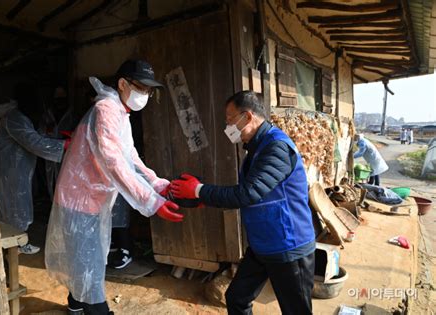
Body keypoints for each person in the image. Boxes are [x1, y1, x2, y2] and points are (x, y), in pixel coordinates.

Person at [44, 59, 183, 315]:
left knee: (85, 258)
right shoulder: (106, 109)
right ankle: (97, 310)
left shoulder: (120, 112)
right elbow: (114, 161)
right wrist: (151, 201)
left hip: (90, 198)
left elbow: (129, 154)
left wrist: (156, 183)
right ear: (122, 84)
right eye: (142, 88)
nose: (146, 95)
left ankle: (75, 305)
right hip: (79, 200)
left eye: (150, 91)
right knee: (90, 264)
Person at [170, 91, 316, 315]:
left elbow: (248, 194)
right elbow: (252, 196)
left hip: (289, 246)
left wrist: (198, 190)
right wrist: (204, 199)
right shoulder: (257, 148)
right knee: (236, 298)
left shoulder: (276, 148)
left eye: (230, 119)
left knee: (296, 311)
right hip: (263, 244)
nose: (227, 125)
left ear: (247, 117)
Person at [0, 82, 68, 254]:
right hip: (9, 171)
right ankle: (15, 245)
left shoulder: (20, 116)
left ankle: (17, 242)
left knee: (18, 203)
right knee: (14, 205)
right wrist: (64, 145)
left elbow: (36, 135)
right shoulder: (14, 117)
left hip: (16, 169)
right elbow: (34, 142)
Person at [39, 86, 79, 200]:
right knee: (51, 181)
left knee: (67, 182)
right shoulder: (48, 115)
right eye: (57, 98)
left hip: (68, 154)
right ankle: (53, 204)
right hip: (50, 154)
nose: (60, 101)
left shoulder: (72, 115)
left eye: (62, 98)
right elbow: (40, 134)